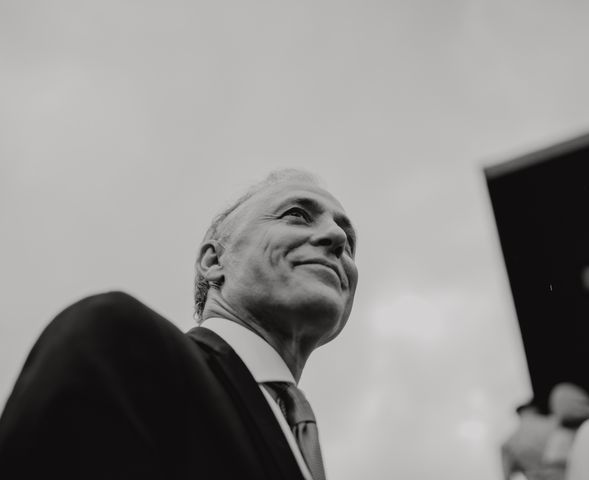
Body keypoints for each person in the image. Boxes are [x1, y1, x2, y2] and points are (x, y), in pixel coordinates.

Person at [0, 169, 358, 480]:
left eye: (350, 240)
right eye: (297, 215)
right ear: (214, 260)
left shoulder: (299, 436)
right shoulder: (122, 344)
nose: (338, 239)